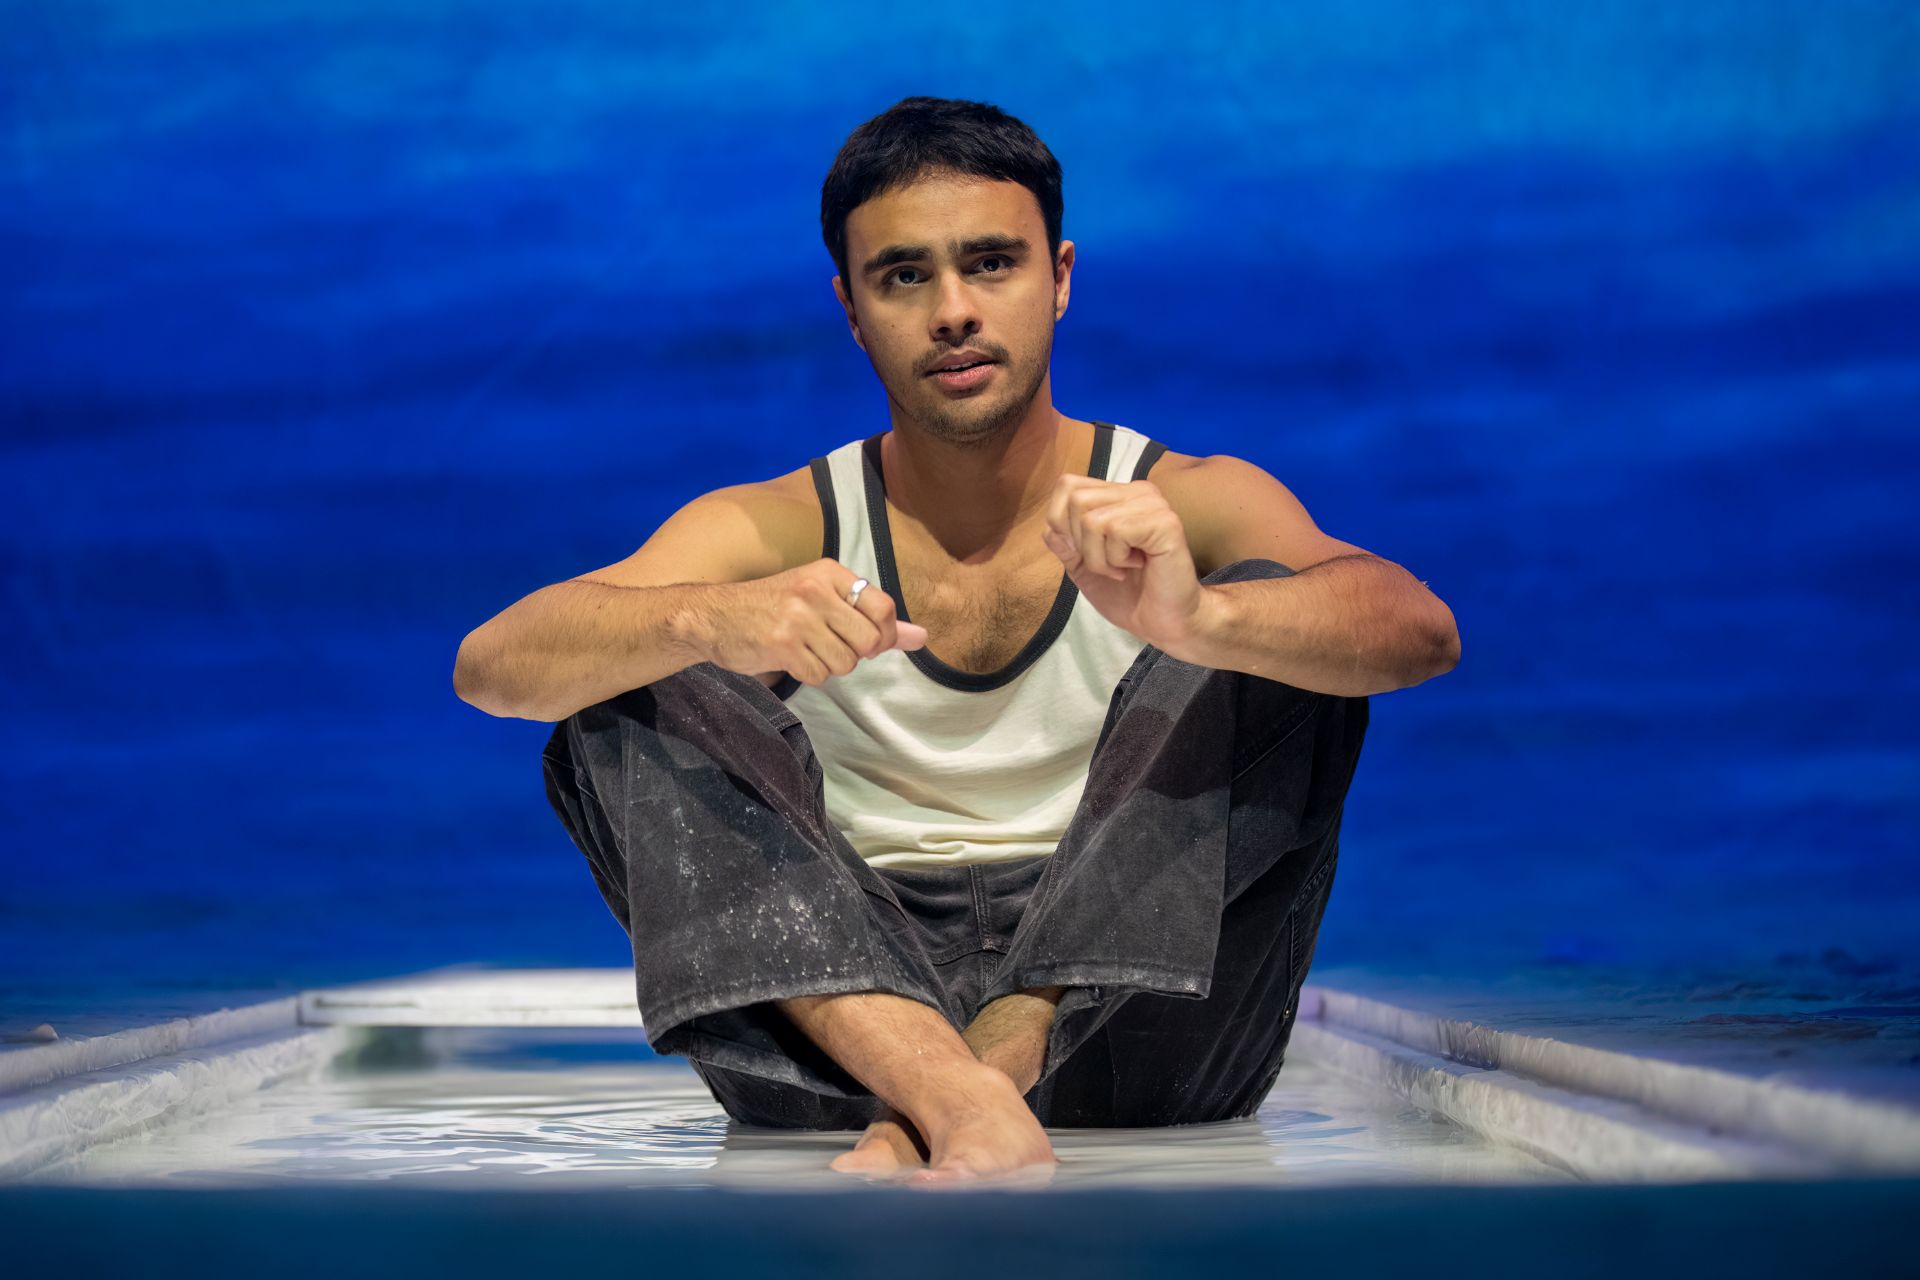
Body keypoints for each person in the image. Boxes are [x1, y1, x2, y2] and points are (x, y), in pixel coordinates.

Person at [453, 96, 1460, 1184]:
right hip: (837, 1021)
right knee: (632, 665)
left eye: (991, 264)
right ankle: (958, 1096)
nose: (953, 312)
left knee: (1272, 620)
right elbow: (493, 667)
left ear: (1059, 277)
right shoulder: (777, 524)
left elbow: (1419, 630)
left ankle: (944, 1101)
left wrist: (1203, 618)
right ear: (850, 308)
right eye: (903, 276)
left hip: (1137, 1026)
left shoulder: (1181, 498)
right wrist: (707, 616)